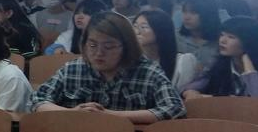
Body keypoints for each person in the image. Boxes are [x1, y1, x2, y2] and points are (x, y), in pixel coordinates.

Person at [31, 12, 185, 124]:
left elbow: (175, 108)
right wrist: (72, 113)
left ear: (127, 47)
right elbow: (38, 99)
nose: (99, 53)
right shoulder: (73, 69)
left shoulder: (148, 72)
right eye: (92, 45)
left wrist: (112, 115)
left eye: (109, 46)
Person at [183, 17, 258, 101]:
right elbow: (192, 87)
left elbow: (257, 98)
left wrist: (249, 68)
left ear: (249, 41)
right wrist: (190, 92)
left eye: (231, 37)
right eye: (222, 35)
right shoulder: (222, 62)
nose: (222, 41)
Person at [134, 9, 197, 93]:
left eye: (144, 27)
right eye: (135, 26)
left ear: (161, 30)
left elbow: (181, 94)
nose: (137, 31)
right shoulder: (131, 59)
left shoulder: (183, 61)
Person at [177, 0, 222, 72]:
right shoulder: (176, 37)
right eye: (184, 12)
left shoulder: (221, 41)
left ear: (208, 15)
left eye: (193, 13)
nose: (186, 17)